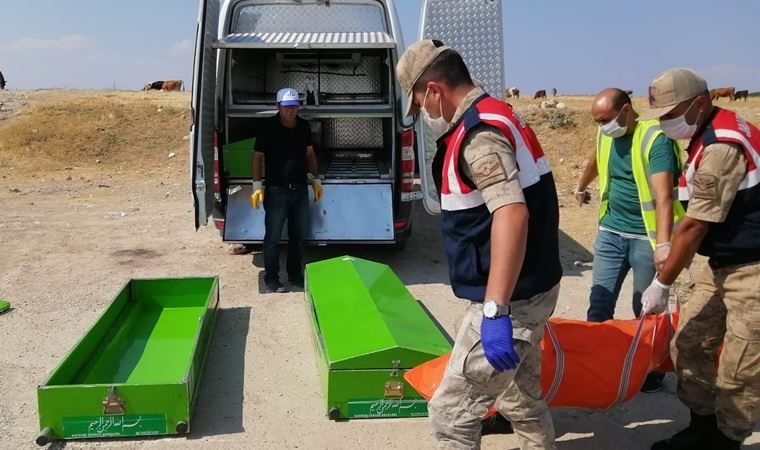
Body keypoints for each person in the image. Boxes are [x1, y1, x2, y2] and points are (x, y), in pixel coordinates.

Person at [396, 39, 562, 449]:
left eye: (419, 104)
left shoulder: (478, 135)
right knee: (519, 397)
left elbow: (511, 213)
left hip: (514, 298)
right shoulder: (498, 113)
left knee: (450, 414)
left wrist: (494, 310)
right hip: (530, 285)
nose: (423, 115)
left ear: (433, 89)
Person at [639, 68, 760, 450]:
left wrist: (662, 283)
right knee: (689, 344)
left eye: (671, 113)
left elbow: (694, 227)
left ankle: (727, 440)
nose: (664, 122)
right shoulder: (702, 135)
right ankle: (702, 427)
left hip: (752, 269)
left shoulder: (723, 144)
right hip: (722, 262)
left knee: (739, 368)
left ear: (701, 103)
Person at [574, 88, 684, 392]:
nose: (602, 127)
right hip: (611, 231)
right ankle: (595, 362)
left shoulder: (655, 139)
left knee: (645, 308)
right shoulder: (605, 133)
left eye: (605, 120)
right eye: (597, 121)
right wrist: (582, 185)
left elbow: (663, 197)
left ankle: (650, 370)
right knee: (599, 303)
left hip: (644, 238)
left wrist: (663, 245)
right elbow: (596, 158)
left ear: (625, 111)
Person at [251, 87, 323, 293]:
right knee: (272, 238)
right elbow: (257, 157)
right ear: (278, 107)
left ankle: (295, 276)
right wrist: (257, 185)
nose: (290, 110)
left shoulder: (303, 127)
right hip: (276, 191)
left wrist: (315, 179)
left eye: (294, 106)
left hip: (299, 190)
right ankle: (271, 278)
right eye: (286, 106)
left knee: (297, 237)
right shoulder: (268, 128)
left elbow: (309, 153)